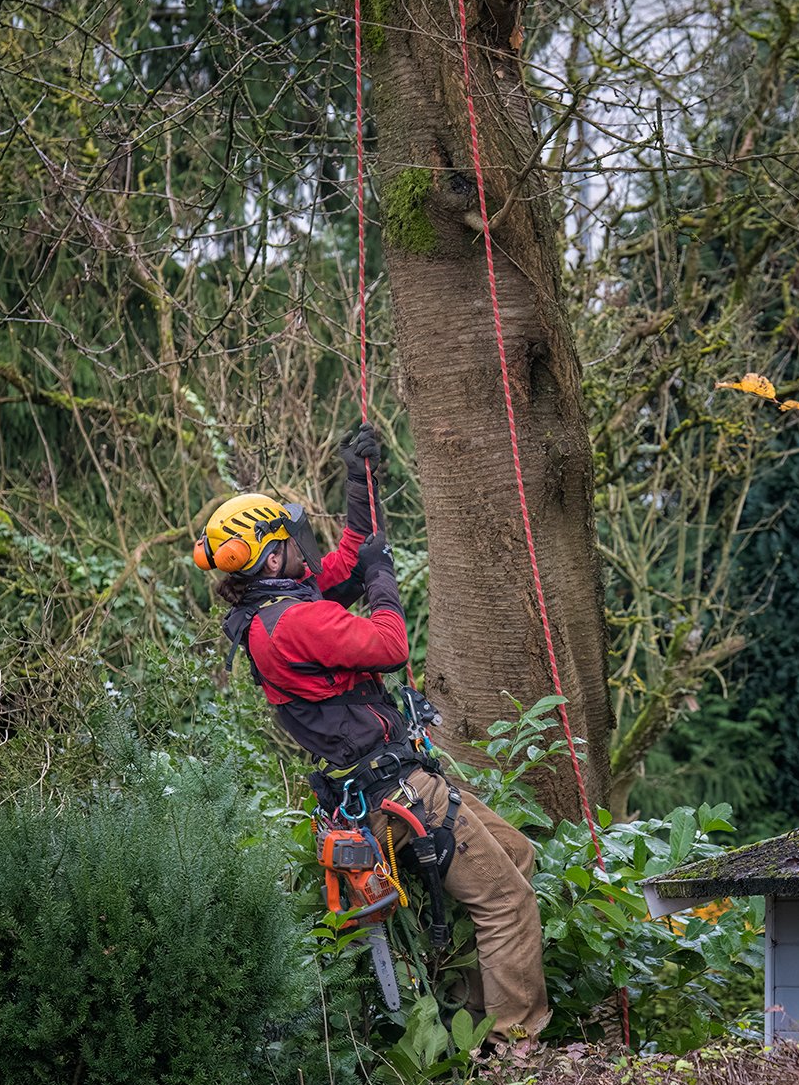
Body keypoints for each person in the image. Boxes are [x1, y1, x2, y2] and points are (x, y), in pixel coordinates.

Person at [193, 425, 549, 1044]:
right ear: (272, 557)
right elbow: (389, 644)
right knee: (507, 903)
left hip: (385, 781)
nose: (305, 547)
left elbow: (347, 555)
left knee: (515, 856)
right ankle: (516, 1053)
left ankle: (474, 1022)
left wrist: (361, 482)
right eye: (291, 540)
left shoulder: (273, 609)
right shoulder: (295, 624)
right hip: (394, 789)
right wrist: (383, 579)